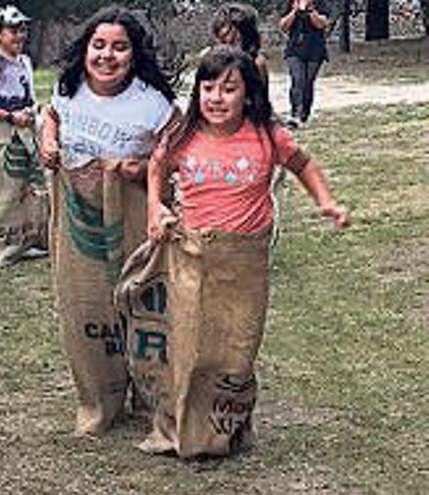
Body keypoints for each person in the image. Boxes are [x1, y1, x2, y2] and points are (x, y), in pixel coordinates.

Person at [143, 46, 348, 458]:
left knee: (238, 347)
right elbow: (157, 166)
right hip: (193, 256)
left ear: (249, 95)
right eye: (208, 87)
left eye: (229, 88)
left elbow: (302, 164)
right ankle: (182, 427)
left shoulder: (266, 135)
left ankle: (228, 427)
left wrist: (325, 201)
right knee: (190, 344)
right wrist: (156, 206)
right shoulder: (183, 137)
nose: (216, 98)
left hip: (245, 263)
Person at [38, 4, 179, 437]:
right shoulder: (70, 88)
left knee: (139, 303)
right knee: (86, 306)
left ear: (134, 55)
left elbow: (174, 154)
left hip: (133, 218)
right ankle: (99, 401)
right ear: (85, 50)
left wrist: (138, 169)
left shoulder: (154, 103)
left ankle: (151, 397)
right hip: (78, 218)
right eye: (98, 45)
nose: (107, 56)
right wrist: (47, 138)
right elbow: (52, 115)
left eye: (120, 48)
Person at [0, 4, 47, 265]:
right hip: (3, 131)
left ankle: (25, 240)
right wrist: (9, 116)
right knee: (2, 187)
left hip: (25, 128)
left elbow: (28, 93)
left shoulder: (25, 61)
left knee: (29, 186)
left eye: (22, 30)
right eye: (12, 30)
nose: (18, 35)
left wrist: (34, 112)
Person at [279, 0, 329, 127]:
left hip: (315, 49)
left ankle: (304, 113)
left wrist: (311, 10)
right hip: (295, 48)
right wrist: (294, 12)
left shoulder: (320, 3)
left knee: (308, 82)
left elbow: (321, 24)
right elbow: (283, 26)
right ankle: (294, 113)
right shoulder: (290, 3)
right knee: (298, 79)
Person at [210, 2, 268, 88]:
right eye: (223, 41)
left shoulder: (257, 64)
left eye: (234, 40)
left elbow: (261, 99)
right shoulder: (211, 61)